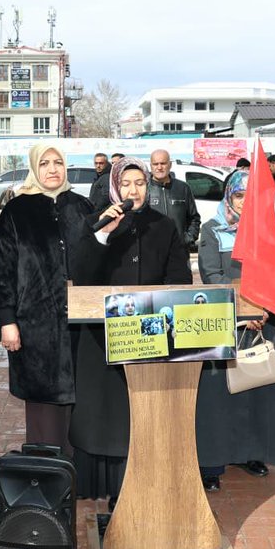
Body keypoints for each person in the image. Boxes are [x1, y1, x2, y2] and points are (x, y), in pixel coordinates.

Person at [70, 157, 192, 503]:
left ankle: (140, 490)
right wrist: (104, 233)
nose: (133, 190)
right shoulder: (97, 222)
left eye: (140, 183)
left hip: (151, 335)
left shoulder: (165, 225)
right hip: (103, 338)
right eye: (126, 184)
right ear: (114, 188)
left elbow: (179, 278)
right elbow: (81, 275)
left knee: (142, 415)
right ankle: (107, 491)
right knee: (106, 418)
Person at [0, 143, 94, 454]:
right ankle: (48, 477)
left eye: (58, 162)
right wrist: (7, 321)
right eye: (45, 163)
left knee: (84, 398)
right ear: (35, 167)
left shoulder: (82, 207)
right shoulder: (16, 211)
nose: (52, 169)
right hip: (35, 324)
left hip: (81, 323)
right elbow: (1, 270)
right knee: (44, 408)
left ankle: (81, 479)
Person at [195, 171, 275, 491]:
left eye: (251, 198)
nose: (244, 204)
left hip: (265, 322)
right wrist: (243, 308)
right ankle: (215, 460)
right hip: (227, 321)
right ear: (229, 197)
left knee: (258, 394)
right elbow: (212, 276)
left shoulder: (271, 232)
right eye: (239, 196)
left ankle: (254, 453)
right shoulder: (213, 230)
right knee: (220, 395)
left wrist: (262, 308)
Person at [147, 149, 200, 251]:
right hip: (152, 252)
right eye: (155, 164)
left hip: (179, 252)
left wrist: (187, 239)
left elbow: (194, 218)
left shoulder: (183, 188)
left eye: (163, 163)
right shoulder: (144, 189)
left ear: (170, 164)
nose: (159, 167)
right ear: (151, 166)